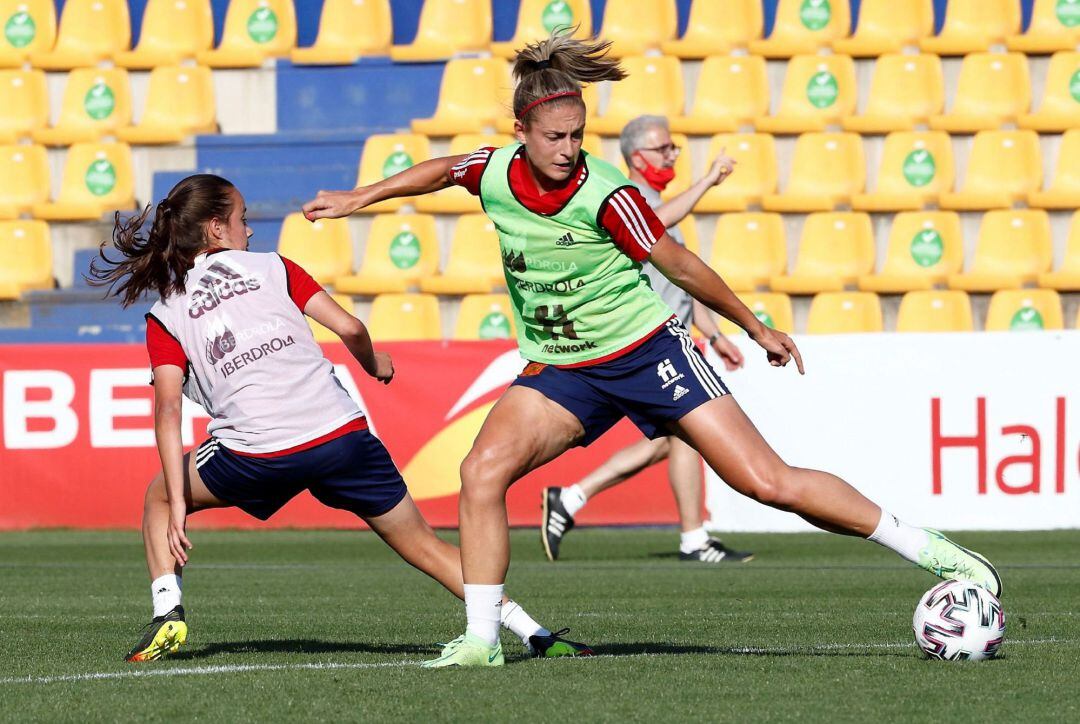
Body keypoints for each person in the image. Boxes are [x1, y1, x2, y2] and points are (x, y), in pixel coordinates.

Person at [302, 31, 1001, 669]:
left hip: (646, 353)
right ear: (522, 133)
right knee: (481, 472)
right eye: (553, 137)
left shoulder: (605, 193)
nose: (568, 148)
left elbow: (683, 267)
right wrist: (361, 196)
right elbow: (445, 168)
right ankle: (483, 641)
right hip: (565, 367)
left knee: (767, 483)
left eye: (577, 135)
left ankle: (939, 553)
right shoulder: (494, 171)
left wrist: (756, 328)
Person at [90, 174, 591, 664]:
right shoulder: (274, 267)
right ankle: (534, 632)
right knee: (424, 544)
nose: (250, 230)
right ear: (217, 229)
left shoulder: (168, 312)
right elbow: (350, 327)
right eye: (243, 219)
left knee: (157, 496)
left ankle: (168, 611)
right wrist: (375, 364)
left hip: (257, 452)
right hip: (340, 436)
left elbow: (169, 409)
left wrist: (178, 502)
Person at [541, 114, 752, 564]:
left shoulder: (655, 201)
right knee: (687, 436)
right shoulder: (630, 201)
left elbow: (679, 285)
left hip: (672, 339)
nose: (672, 155)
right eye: (664, 149)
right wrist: (709, 180)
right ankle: (693, 539)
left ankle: (573, 498)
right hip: (644, 344)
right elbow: (651, 224)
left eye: (674, 148)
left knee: (678, 438)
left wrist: (713, 334)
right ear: (638, 157)